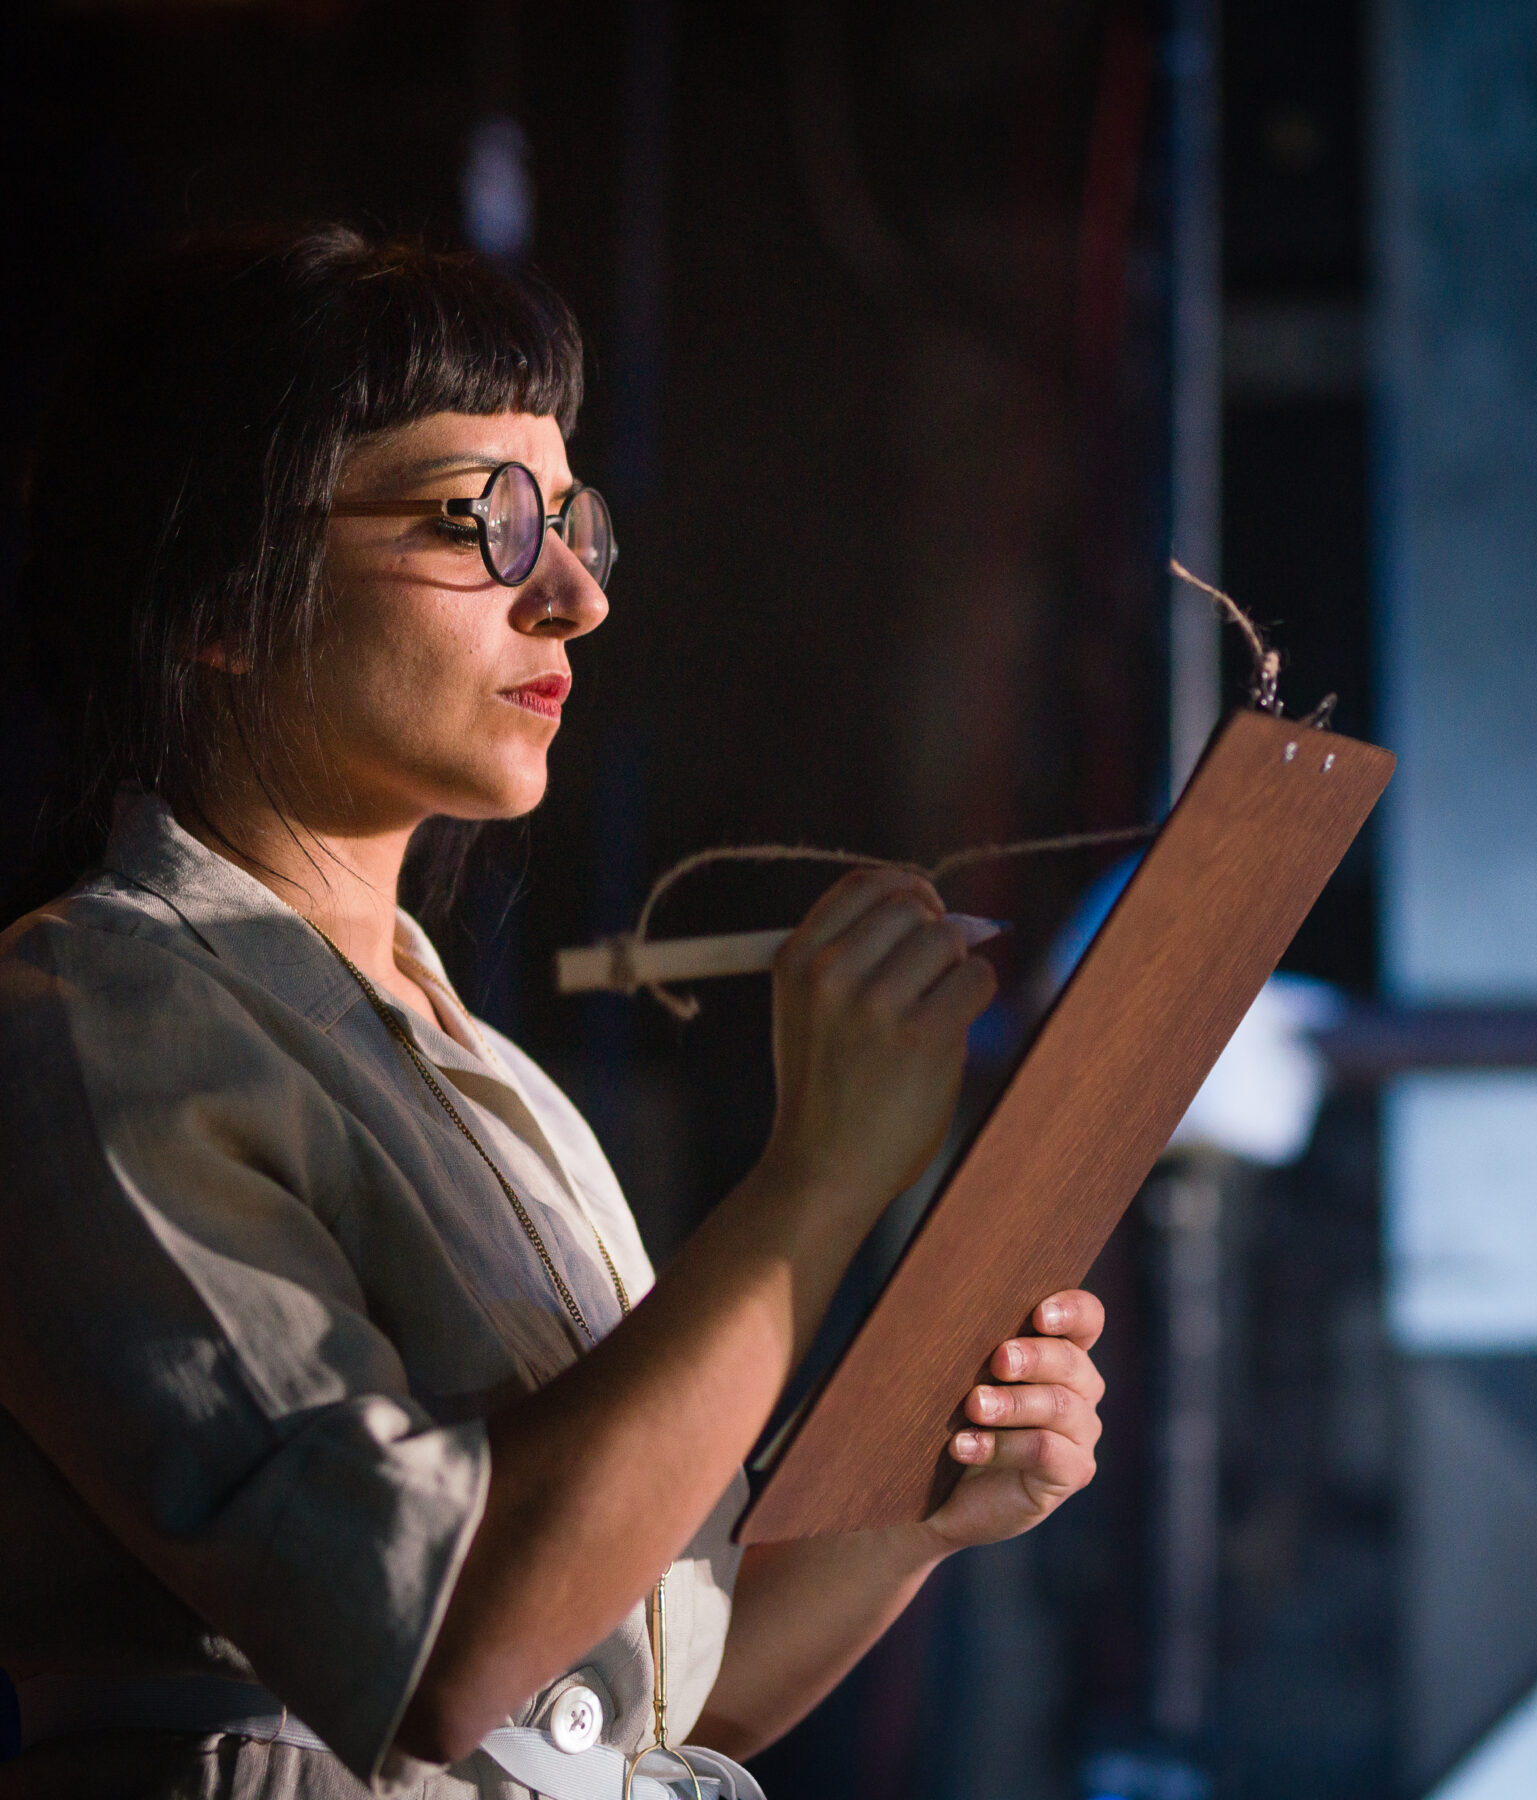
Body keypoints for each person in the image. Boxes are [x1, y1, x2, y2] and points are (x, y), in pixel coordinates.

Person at [0, 226, 1106, 1800]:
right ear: (218, 595)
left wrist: (915, 1513)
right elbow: (449, 1643)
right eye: (485, 522)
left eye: (572, 519)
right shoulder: (93, 1008)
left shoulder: (471, 1069)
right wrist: (814, 1188)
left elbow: (638, 1707)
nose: (574, 596)